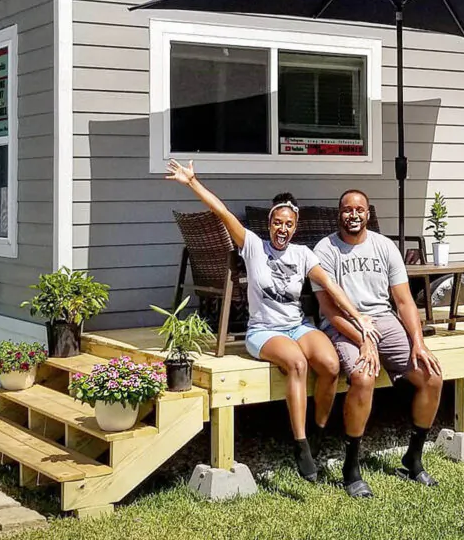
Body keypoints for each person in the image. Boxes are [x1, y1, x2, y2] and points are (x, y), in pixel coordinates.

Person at [165, 159, 379, 482]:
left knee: (331, 365)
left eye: (288, 224)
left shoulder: (303, 254)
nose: (282, 229)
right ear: (270, 223)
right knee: (296, 363)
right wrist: (192, 182)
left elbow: (331, 285)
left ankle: (319, 432)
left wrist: (358, 316)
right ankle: (301, 444)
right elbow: (222, 212)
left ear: (295, 227)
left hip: (297, 325)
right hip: (263, 331)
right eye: (278, 223)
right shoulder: (252, 246)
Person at [313, 189, 444, 498]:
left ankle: (413, 459)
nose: (353, 215)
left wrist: (418, 342)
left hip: (383, 320)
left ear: (368, 214)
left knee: (432, 376)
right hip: (343, 323)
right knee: (362, 376)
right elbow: (330, 310)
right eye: (347, 209)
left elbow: (404, 301)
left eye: (359, 209)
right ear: (339, 214)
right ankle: (351, 467)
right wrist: (363, 338)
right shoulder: (325, 250)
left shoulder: (385, 247)